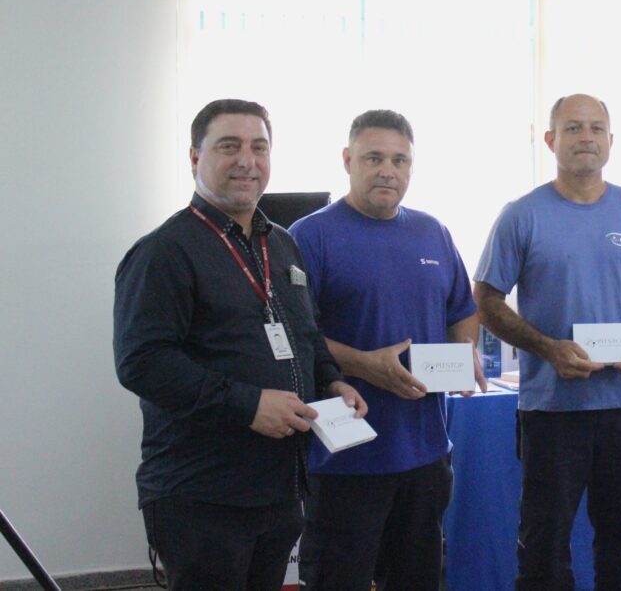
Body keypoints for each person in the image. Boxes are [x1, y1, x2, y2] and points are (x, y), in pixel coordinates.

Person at [114, 98, 367, 591]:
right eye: (229, 146)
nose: (246, 160)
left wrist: (332, 380)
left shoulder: (281, 243)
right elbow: (142, 362)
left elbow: (305, 335)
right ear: (194, 158)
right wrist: (249, 404)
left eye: (259, 147)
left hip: (277, 486)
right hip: (202, 494)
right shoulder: (163, 253)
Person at [474, 93, 621, 589]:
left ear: (611, 141)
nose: (585, 137)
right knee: (544, 547)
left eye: (595, 128)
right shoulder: (521, 215)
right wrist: (548, 348)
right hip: (551, 412)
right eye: (572, 128)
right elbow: (485, 300)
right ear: (550, 141)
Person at [289, 109, 484, 591]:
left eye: (400, 160)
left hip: (425, 454)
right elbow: (296, 335)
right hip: (345, 457)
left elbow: (463, 308)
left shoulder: (433, 231)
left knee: (417, 579)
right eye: (374, 157)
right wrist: (364, 366)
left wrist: (466, 352)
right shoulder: (308, 236)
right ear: (347, 159)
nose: (388, 170)